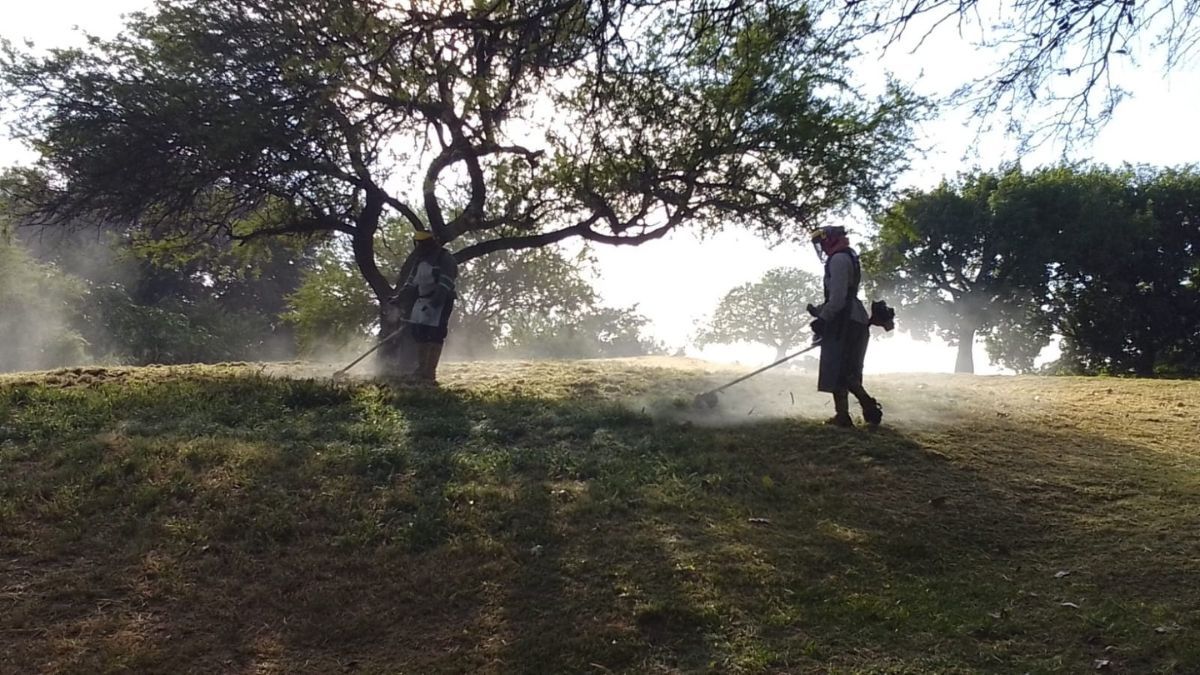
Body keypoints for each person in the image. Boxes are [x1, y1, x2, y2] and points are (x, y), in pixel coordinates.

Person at [806, 225, 883, 427]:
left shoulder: (839, 259)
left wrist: (823, 319)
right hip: (852, 319)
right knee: (845, 370)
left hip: (844, 322)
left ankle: (863, 408)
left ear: (830, 239)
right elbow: (842, 295)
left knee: (840, 369)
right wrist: (819, 310)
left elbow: (839, 298)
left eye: (822, 242)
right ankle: (848, 414)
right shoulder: (848, 256)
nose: (821, 247)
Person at [390, 230, 458, 383]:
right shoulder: (419, 260)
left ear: (429, 243)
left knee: (435, 335)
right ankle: (421, 369)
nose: (419, 247)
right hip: (422, 300)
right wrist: (398, 298)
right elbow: (410, 283)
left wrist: (433, 305)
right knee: (419, 333)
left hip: (441, 301)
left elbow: (444, 285)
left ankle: (429, 372)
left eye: (421, 244)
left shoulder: (444, 258)